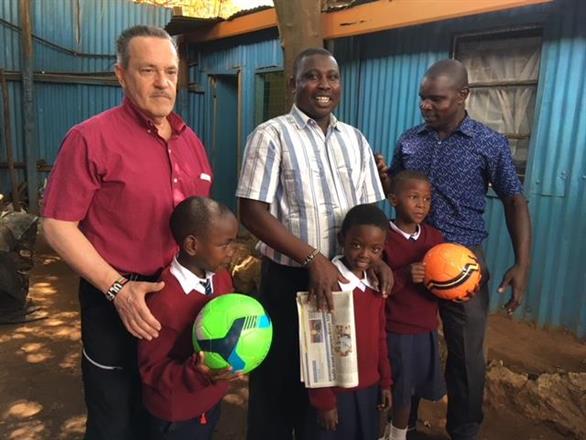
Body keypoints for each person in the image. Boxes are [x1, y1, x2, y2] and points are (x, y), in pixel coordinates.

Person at [41, 25, 214, 439]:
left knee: (167, 411)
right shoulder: (90, 139)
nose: (162, 82)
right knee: (114, 417)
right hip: (114, 299)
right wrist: (117, 290)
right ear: (121, 75)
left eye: (170, 71)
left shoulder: (192, 143)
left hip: (177, 298)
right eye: (148, 70)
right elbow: (57, 225)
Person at [236, 47, 392, 440]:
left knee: (327, 385)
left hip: (343, 286)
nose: (324, 85)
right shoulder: (271, 135)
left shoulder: (355, 140)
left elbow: (368, 211)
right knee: (279, 382)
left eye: (332, 77)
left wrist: (378, 258)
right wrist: (311, 258)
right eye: (312, 76)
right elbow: (251, 212)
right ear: (293, 84)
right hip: (290, 282)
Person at [376, 59, 532, 440]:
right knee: (406, 344)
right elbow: (397, 191)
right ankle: (403, 425)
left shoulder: (489, 144)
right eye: (422, 99)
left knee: (466, 355)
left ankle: (464, 430)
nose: (426, 106)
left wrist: (522, 264)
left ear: (464, 96)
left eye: (437, 99)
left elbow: (515, 201)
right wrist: (383, 179)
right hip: (410, 262)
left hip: (463, 263)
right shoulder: (410, 140)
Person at [138, 197, 240, 440]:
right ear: (192, 245)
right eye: (224, 245)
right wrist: (196, 373)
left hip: (209, 400)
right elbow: (150, 370)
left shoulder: (220, 277)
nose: (232, 252)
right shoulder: (163, 300)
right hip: (177, 417)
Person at [304, 204, 392, 440]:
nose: (365, 254)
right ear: (342, 239)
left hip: (368, 388)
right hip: (336, 394)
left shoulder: (375, 285)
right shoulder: (327, 284)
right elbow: (315, 348)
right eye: (356, 245)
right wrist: (324, 402)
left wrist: (385, 382)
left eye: (375, 249)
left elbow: (380, 337)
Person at [382, 170, 446, 440]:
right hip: (396, 330)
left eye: (427, 199)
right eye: (413, 197)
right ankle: (392, 435)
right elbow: (376, 287)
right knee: (397, 392)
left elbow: (444, 282)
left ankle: (401, 432)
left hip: (425, 328)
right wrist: (403, 275)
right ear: (394, 199)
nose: (421, 204)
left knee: (415, 388)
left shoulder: (435, 238)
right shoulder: (382, 237)